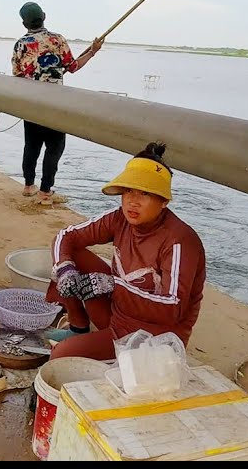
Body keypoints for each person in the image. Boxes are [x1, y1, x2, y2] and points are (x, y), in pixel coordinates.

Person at [45, 142, 206, 361]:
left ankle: (96, 347)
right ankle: (78, 327)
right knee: (70, 255)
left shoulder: (179, 240)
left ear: (164, 201)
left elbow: (173, 308)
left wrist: (113, 286)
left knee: (61, 355)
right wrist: (65, 270)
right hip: (117, 315)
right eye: (128, 190)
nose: (132, 201)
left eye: (145, 193)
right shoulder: (119, 218)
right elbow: (65, 236)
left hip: (152, 337)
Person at [12, 2, 104, 205]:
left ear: (24, 23)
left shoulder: (20, 44)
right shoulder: (58, 39)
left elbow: (17, 76)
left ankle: (28, 186)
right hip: (55, 104)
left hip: (31, 103)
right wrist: (93, 51)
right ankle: (45, 190)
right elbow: (73, 66)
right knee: (55, 146)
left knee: (31, 145)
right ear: (44, 16)